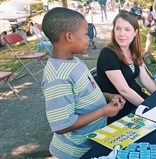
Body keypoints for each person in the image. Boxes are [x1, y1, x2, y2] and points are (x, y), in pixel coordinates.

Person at [41, 8, 125, 159]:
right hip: (74, 152)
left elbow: (85, 92)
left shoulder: (74, 62)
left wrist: (108, 96)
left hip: (92, 141)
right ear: (69, 37)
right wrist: (103, 112)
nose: (89, 39)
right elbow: (62, 125)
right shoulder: (58, 77)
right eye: (86, 34)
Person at [96, 12, 156, 124]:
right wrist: (147, 108)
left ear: (135, 32)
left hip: (137, 99)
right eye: (118, 29)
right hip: (120, 107)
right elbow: (124, 90)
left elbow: (145, 79)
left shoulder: (133, 50)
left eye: (127, 29)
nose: (121, 34)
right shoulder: (108, 54)